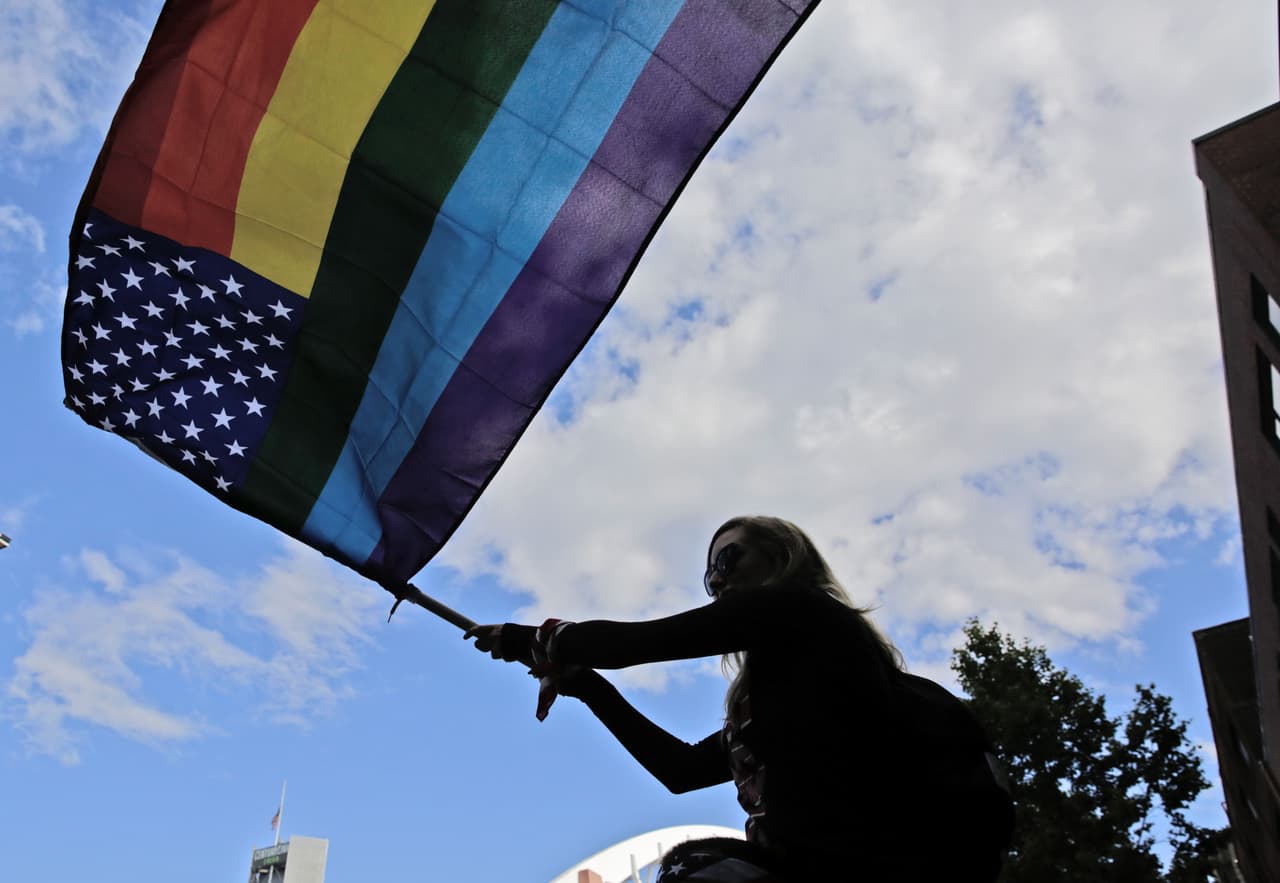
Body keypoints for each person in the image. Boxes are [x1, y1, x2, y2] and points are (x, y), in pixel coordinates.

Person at [465, 515, 1013, 882]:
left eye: (727, 562)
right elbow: (679, 770)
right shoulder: (772, 707)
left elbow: (641, 642)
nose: (718, 582)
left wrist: (529, 638)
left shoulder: (803, 610)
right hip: (806, 866)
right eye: (709, 578)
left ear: (781, 557)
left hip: (878, 863)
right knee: (690, 865)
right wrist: (585, 684)